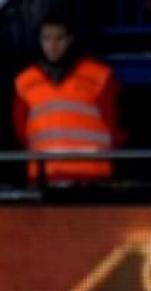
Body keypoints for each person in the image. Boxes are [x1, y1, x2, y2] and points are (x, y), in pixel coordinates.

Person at [13, 14, 122, 186]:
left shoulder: (99, 77)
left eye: (59, 39)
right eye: (46, 39)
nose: (53, 46)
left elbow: (115, 126)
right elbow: (20, 132)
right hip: (45, 178)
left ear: (70, 39)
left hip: (91, 178)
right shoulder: (25, 82)